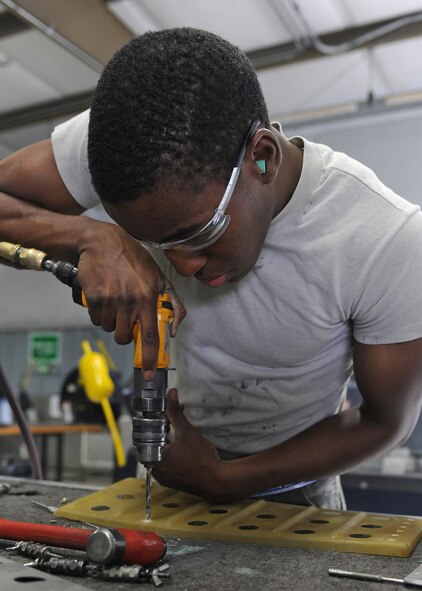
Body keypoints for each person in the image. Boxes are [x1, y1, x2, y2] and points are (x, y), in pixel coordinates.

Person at [1, 28, 422, 509]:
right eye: (155, 242)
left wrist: (222, 478)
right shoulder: (134, 137)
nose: (180, 264)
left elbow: (385, 421)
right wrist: (93, 237)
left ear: (262, 159)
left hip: (300, 490)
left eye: (198, 233)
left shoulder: (384, 238)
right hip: (176, 473)